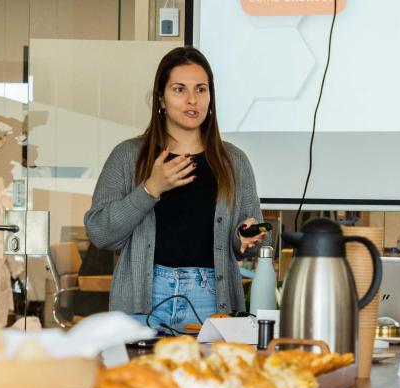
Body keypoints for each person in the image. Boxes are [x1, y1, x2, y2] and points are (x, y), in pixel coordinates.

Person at [84, 47, 267, 330]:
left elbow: (257, 241)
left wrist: (245, 239)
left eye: (201, 89)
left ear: (210, 98)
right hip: (141, 302)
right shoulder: (127, 156)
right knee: (139, 375)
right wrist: (149, 190)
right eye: (179, 89)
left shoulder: (234, 162)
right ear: (161, 99)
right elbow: (100, 233)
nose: (192, 99)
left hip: (211, 301)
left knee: (207, 376)